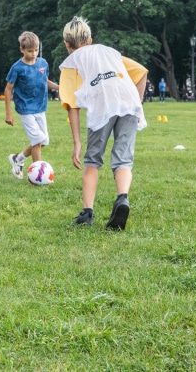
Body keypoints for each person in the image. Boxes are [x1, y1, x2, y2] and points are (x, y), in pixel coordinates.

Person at [59, 16, 148, 231]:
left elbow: (72, 105)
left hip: (102, 105)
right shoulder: (110, 52)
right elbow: (141, 72)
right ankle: (122, 198)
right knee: (123, 158)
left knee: (93, 159)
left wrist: (77, 142)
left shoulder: (71, 64)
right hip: (128, 101)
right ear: (90, 40)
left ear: (67, 45)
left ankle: (87, 213)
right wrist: (137, 104)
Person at [5, 31, 60, 179]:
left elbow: (45, 81)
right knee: (37, 141)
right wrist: (8, 113)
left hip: (40, 107)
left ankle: (18, 159)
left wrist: (60, 87)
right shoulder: (17, 68)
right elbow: (8, 89)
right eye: (30, 51)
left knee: (44, 141)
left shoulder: (43, 63)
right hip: (25, 109)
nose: (33, 53)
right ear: (22, 49)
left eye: (36, 50)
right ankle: (38, 175)